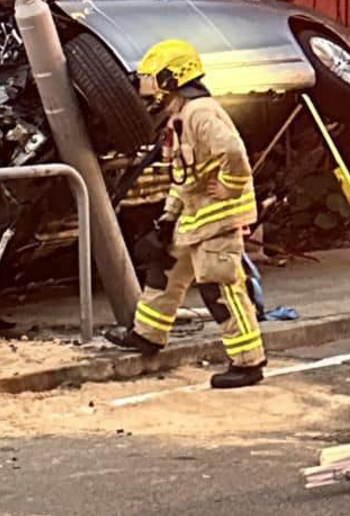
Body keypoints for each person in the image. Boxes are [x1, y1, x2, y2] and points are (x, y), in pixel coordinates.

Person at [104, 39, 266, 389]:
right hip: (194, 220)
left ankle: (248, 362)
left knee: (221, 289)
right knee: (163, 273)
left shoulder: (201, 113)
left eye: (152, 80)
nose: (148, 90)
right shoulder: (181, 116)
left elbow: (234, 153)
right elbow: (185, 177)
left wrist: (231, 186)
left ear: (171, 78)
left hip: (218, 220)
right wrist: (168, 218)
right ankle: (147, 335)